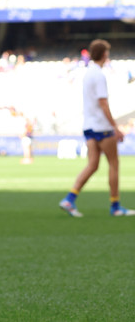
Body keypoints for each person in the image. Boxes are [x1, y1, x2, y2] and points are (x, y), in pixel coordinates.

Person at [59, 39, 135, 218]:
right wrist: (115, 127)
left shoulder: (87, 74)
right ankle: (115, 206)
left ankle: (70, 198)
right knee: (114, 165)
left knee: (92, 165)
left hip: (89, 126)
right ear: (104, 54)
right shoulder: (99, 75)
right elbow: (103, 103)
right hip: (102, 127)